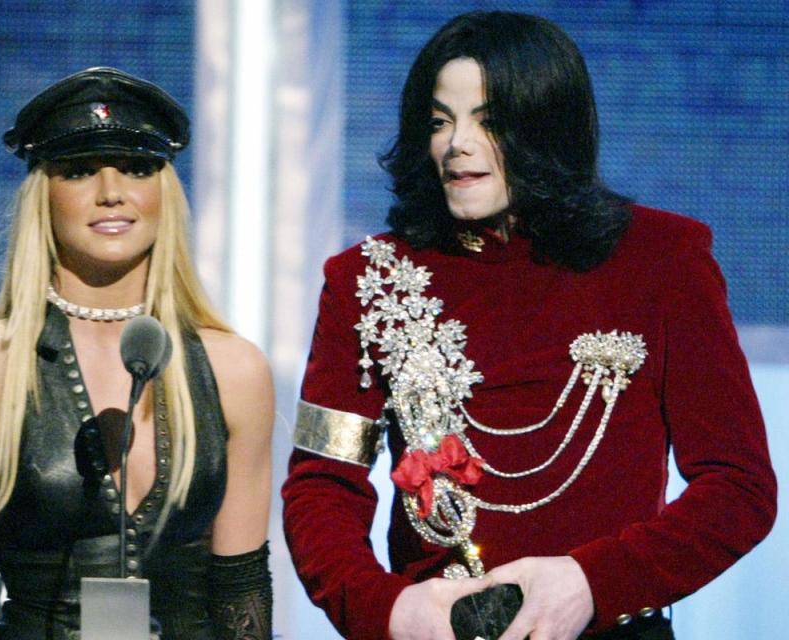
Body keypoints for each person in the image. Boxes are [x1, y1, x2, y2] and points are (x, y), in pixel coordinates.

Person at [282, 11, 776, 640]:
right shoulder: (367, 280)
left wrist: (592, 583)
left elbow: (739, 489)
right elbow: (322, 485)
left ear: (548, 126)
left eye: (489, 121)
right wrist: (388, 611)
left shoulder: (662, 259)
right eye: (440, 121)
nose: (457, 143)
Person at [0, 67, 275, 639]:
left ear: (164, 192)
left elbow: (241, 597)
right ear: (42, 196)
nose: (111, 191)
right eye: (77, 171)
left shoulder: (235, 369)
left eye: (138, 168)